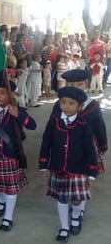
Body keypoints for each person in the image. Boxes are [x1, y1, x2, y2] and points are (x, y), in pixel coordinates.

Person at [39, 86, 97, 243]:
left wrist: (92, 173)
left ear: (80, 107)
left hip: (78, 169)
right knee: (62, 199)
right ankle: (64, 226)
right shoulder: (54, 122)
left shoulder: (83, 125)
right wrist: (44, 165)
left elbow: (90, 150)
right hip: (58, 168)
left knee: (77, 199)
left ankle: (76, 218)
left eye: (71, 103)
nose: (66, 106)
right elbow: (46, 143)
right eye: (63, 102)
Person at [0, 77, 36, 232]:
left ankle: (8, 217)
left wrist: (18, 114)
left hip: (11, 155)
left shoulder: (17, 110)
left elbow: (32, 125)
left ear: (10, 94)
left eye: (3, 93)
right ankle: (2, 201)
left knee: (11, 189)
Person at [51, 69, 108, 221]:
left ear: (86, 85)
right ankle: (68, 201)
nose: (75, 87)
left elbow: (100, 126)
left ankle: (79, 209)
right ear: (66, 85)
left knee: (83, 180)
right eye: (71, 84)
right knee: (67, 176)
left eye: (79, 84)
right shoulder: (60, 105)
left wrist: (102, 146)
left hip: (87, 149)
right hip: (65, 148)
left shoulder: (93, 105)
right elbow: (53, 127)